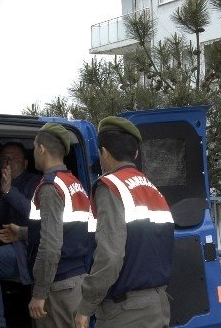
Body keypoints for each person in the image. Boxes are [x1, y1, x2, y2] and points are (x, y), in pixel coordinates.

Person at [74, 117, 175, 328]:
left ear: (103, 152)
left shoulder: (110, 187)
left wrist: (86, 306)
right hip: (158, 304)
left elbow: (110, 256)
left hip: (126, 313)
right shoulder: (152, 188)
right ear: (136, 153)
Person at [0, 123, 92, 327]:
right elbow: (65, 231)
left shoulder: (49, 186)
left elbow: (50, 244)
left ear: (41, 149)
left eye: (34, 147)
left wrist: (39, 293)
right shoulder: (73, 183)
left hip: (57, 287)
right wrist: (23, 233)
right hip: (76, 281)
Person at [0, 142, 40, 327]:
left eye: (15, 159)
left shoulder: (36, 182)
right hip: (3, 246)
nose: (9, 162)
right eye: (5, 159)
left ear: (26, 163)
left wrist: (9, 191)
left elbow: (32, 213)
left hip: (27, 249)